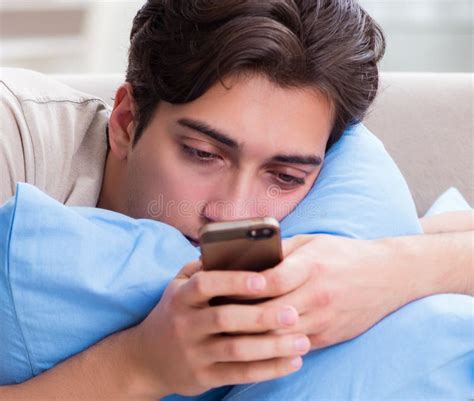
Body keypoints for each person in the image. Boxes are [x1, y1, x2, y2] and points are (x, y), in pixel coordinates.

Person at [0, 0, 472, 399]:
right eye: (203, 154)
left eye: (284, 176)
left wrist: (391, 269)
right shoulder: (14, 144)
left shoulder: (326, 201)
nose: (231, 212)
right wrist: (139, 364)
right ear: (126, 122)